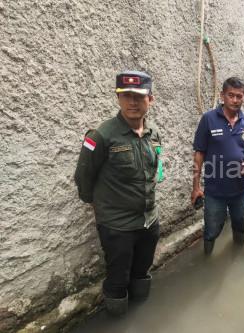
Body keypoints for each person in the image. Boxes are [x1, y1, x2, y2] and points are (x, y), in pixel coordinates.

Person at [74, 71, 162, 316]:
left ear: (150, 100)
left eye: (138, 96)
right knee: (117, 278)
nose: (132, 102)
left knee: (142, 270)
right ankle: (118, 319)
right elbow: (83, 178)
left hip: (148, 220)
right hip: (117, 226)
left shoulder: (153, 134)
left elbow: (152, 171)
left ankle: (140, 317)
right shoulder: (101, 136)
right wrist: (102, 211)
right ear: (118, 98)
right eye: (125, 96)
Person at [191, 77, 244, 255]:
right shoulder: (208, 119)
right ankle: (207, 261)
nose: (235, 100)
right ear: (222, 96)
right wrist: (196, 187)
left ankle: (238, 256)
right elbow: (199, 154)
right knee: (211, 230)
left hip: (240, 189)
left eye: (239, 96)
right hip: (215, 191)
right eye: (231, 95)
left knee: (240, 226)